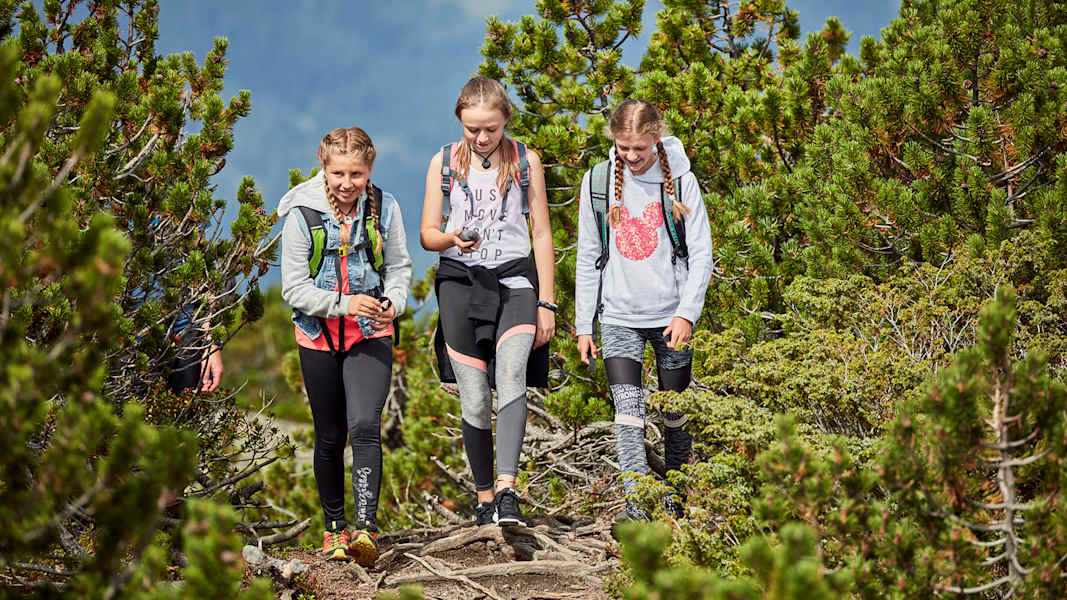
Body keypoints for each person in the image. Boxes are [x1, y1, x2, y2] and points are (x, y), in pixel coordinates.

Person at [420, 76, 555, 528]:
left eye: (491, 129)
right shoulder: (441, 163)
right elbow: (428, 234)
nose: (481, 138)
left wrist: (548, 303)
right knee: (475, 397)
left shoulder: (525, 161)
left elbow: (540, 232)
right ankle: (483, 501)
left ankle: (507, 491)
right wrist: (451, 238)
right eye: (472, 129)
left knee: (513, 373)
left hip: (516, 279)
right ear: (460, 121)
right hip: (459, 281)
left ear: (505, 122)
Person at [574, 99, 713, 521]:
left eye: (640, 148)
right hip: (619, 318)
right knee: (628, 416)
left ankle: (676, 505)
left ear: (656, 137)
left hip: (671, 317)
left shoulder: (680, 180)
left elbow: (702, 252)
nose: (631, 157)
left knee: (675, 414)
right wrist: (585, 325)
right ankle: (638, 513)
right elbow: (587, 255)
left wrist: (687, 313)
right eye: (623, 148)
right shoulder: (597, 182)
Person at [279, 127, 412, 565]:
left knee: (364, 424)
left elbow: (399, 267)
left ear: (369, 169)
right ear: (324, 168)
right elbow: (293, 289)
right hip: (317, 336)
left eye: (357, 173)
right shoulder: (302, 214)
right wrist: (342, 303)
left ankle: (365, 530)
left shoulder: (385, 208)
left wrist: (394, 302)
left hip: (371, 331)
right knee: (330, 436)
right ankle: (333, 529)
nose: (347, 182)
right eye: (338, 172)